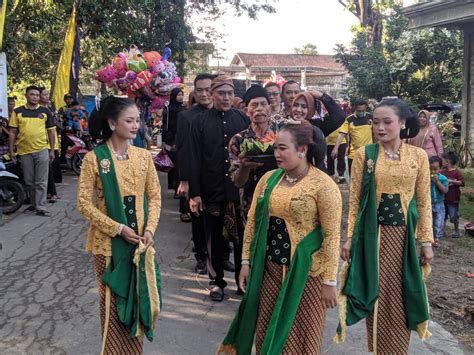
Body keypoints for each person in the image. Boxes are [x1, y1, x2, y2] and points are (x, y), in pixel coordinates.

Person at [218, 120, 341, 354]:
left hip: (307, 276)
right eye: (274, 147)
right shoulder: (269, 179)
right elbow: (253, 223)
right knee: (267, 331)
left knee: (303, 336)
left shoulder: (323, 185)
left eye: (282, 148)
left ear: (302, 149)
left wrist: (329, 281)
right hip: (270, 271)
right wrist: (245, 262)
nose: (276, 153)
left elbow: (332, 236)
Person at [336, 98, 434, 354]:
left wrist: (425, 242)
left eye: (387, 121)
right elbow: (356, 200)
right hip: (372, 237)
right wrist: (349, 238)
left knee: (400, 296)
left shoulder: (418, 156)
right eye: (375, 122)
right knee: (375, 293)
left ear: (402, 123)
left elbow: (424, 202)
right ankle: (377, 349)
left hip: (404, 239)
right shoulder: (364, 155)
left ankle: (397, 349)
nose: (380, 127)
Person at [77, 96, 161, 354]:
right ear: (113, 123)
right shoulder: (95, 159)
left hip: (139, 245)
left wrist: (148, 230)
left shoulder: (144, 157)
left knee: (137, 303)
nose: (136, 125)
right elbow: (83, 203)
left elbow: (154, 196)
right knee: (113, 308)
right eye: (129, 120)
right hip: (108, 246)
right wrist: (117, 229)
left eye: (138, 120)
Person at [189, 75, 250, 301]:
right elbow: (194, 158)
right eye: (221, 93)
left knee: (241, 238)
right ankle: (216, 283)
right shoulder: (200, 121)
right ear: (212, 94)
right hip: (211, 188)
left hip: (237, 190)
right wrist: (195, 193)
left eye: (229, 93)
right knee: (213, 237)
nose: (226, 98)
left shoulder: (242, 120)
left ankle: (242, 281)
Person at [176, 73, 214, 274]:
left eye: (208, 89)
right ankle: (201, 257)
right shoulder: (186, 117)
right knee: (198, 218)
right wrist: (184, 179)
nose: (204, 94)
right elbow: (182, 149)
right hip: (195, 175)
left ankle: (220, 257)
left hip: (216, 177)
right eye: (200, 90)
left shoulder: (224, 115)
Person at [229, 85, 276, 225]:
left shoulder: (282, 136)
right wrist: (244, 167)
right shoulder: (238, 140)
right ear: (246, 111)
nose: (259, 108)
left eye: (263, 104)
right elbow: (237, 182)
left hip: (279, 200)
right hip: (250, 203)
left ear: (270, 108)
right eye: (254, 105)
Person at [8, 86, 56, 216]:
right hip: (24, 151)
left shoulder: (45, 111)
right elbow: (12, 132)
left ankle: (41, 206)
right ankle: (34, 204)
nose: (35, 97)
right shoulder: (18, 112)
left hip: (42, 150)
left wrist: (52, 150)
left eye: (37, 95)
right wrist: (12, 150)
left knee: (41, 180)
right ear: (26, 96)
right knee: (29, 181)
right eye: (32, 94)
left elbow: (51, 132)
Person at [332, 99, 373, 174]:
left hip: (369, 153)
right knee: (354, 177)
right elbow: (342, 134)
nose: (361, 112)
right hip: (354, 154)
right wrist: (335, 149)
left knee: (368, 177)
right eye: (359, 110)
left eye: (362, 110)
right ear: (355, 108)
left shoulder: (371, 117)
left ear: (366, 108)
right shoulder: (349, 120)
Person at [39, 87, 61, 201]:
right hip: (44, 143)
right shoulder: (39, 110)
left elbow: (56, 126)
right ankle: (51, 193)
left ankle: (49, 192)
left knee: (52, 168)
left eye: (48, 94)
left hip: (53, 143)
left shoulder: (50, 109)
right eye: (44, 95)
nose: (47, 97)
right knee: (48, 169)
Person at [163, 87, 185, 197]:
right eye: (178, 95)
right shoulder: (168, 109)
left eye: (182, 94)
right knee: (172, 165)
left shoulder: (184, 109)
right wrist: (163, 142)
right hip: (170, 140)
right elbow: (165, 125)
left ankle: (178, 187)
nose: (180, 97)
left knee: (179, 165)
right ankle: (174, 186)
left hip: (180, 139)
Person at [441, 152, 465, 238]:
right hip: (443, 198)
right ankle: (442, 231)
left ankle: (456, 231)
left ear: (448, 162)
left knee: (454, 215)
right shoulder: (442, 172)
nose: (441, 162)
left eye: (442, 160)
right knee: (443, 215)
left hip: (453, 198)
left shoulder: (456, 172)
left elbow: (462, 182)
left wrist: (452, 181)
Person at [430, 156, 449, 248]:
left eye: (435, 169)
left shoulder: (443, 179)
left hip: (439, 204)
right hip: (428, 204)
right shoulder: (426, 178)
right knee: (429, 222)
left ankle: (436, 238)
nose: (433, 172)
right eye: (430, 169)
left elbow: (445, 191)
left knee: (438, 222)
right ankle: (429, 238)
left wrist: (437, 182)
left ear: (440, 169)